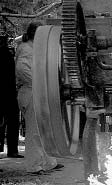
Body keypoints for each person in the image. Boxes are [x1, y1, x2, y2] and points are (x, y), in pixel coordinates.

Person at [15, 22, 63, 174]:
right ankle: (34, 165)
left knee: (44, 128)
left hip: (36, 91)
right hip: (31, 92)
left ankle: (48, 162)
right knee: (35, 131)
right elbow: (21, 69)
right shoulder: (26, 49)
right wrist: (38, 82)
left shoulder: (32, 48)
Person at [0, 31, 22, 158]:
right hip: (7, 92)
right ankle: (12, 150)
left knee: (13, 122)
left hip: (10, 92)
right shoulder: (7, 54)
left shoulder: (9, 54)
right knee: (11, 122)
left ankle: (13, 150)